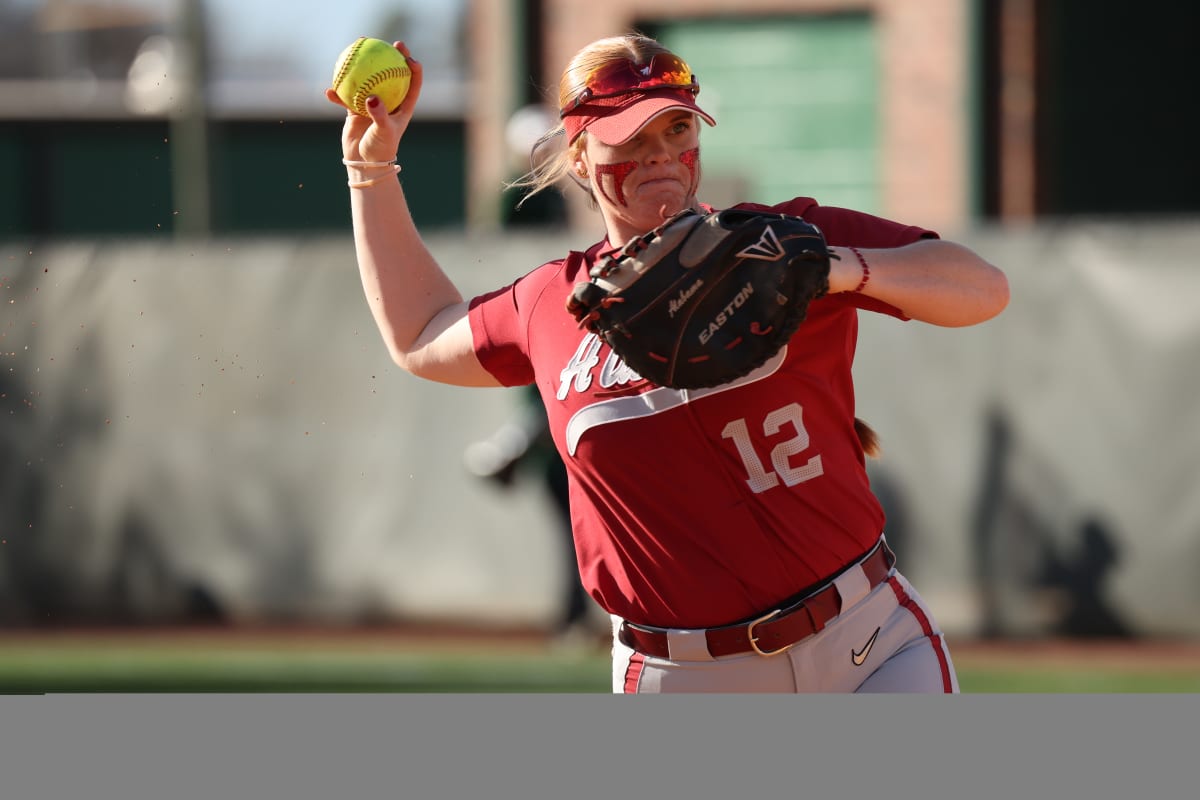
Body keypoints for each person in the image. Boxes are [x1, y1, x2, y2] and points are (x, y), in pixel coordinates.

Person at [325, 33, 1009, 693]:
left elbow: (981, 288)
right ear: (581, 154)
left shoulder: (780, 239)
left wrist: (828, 267)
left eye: (676, 131)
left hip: (867, 647)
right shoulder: (548, 303)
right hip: (682, 679)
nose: (659, 154)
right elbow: (420, 332)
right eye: (630, 138)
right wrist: (371, 171)